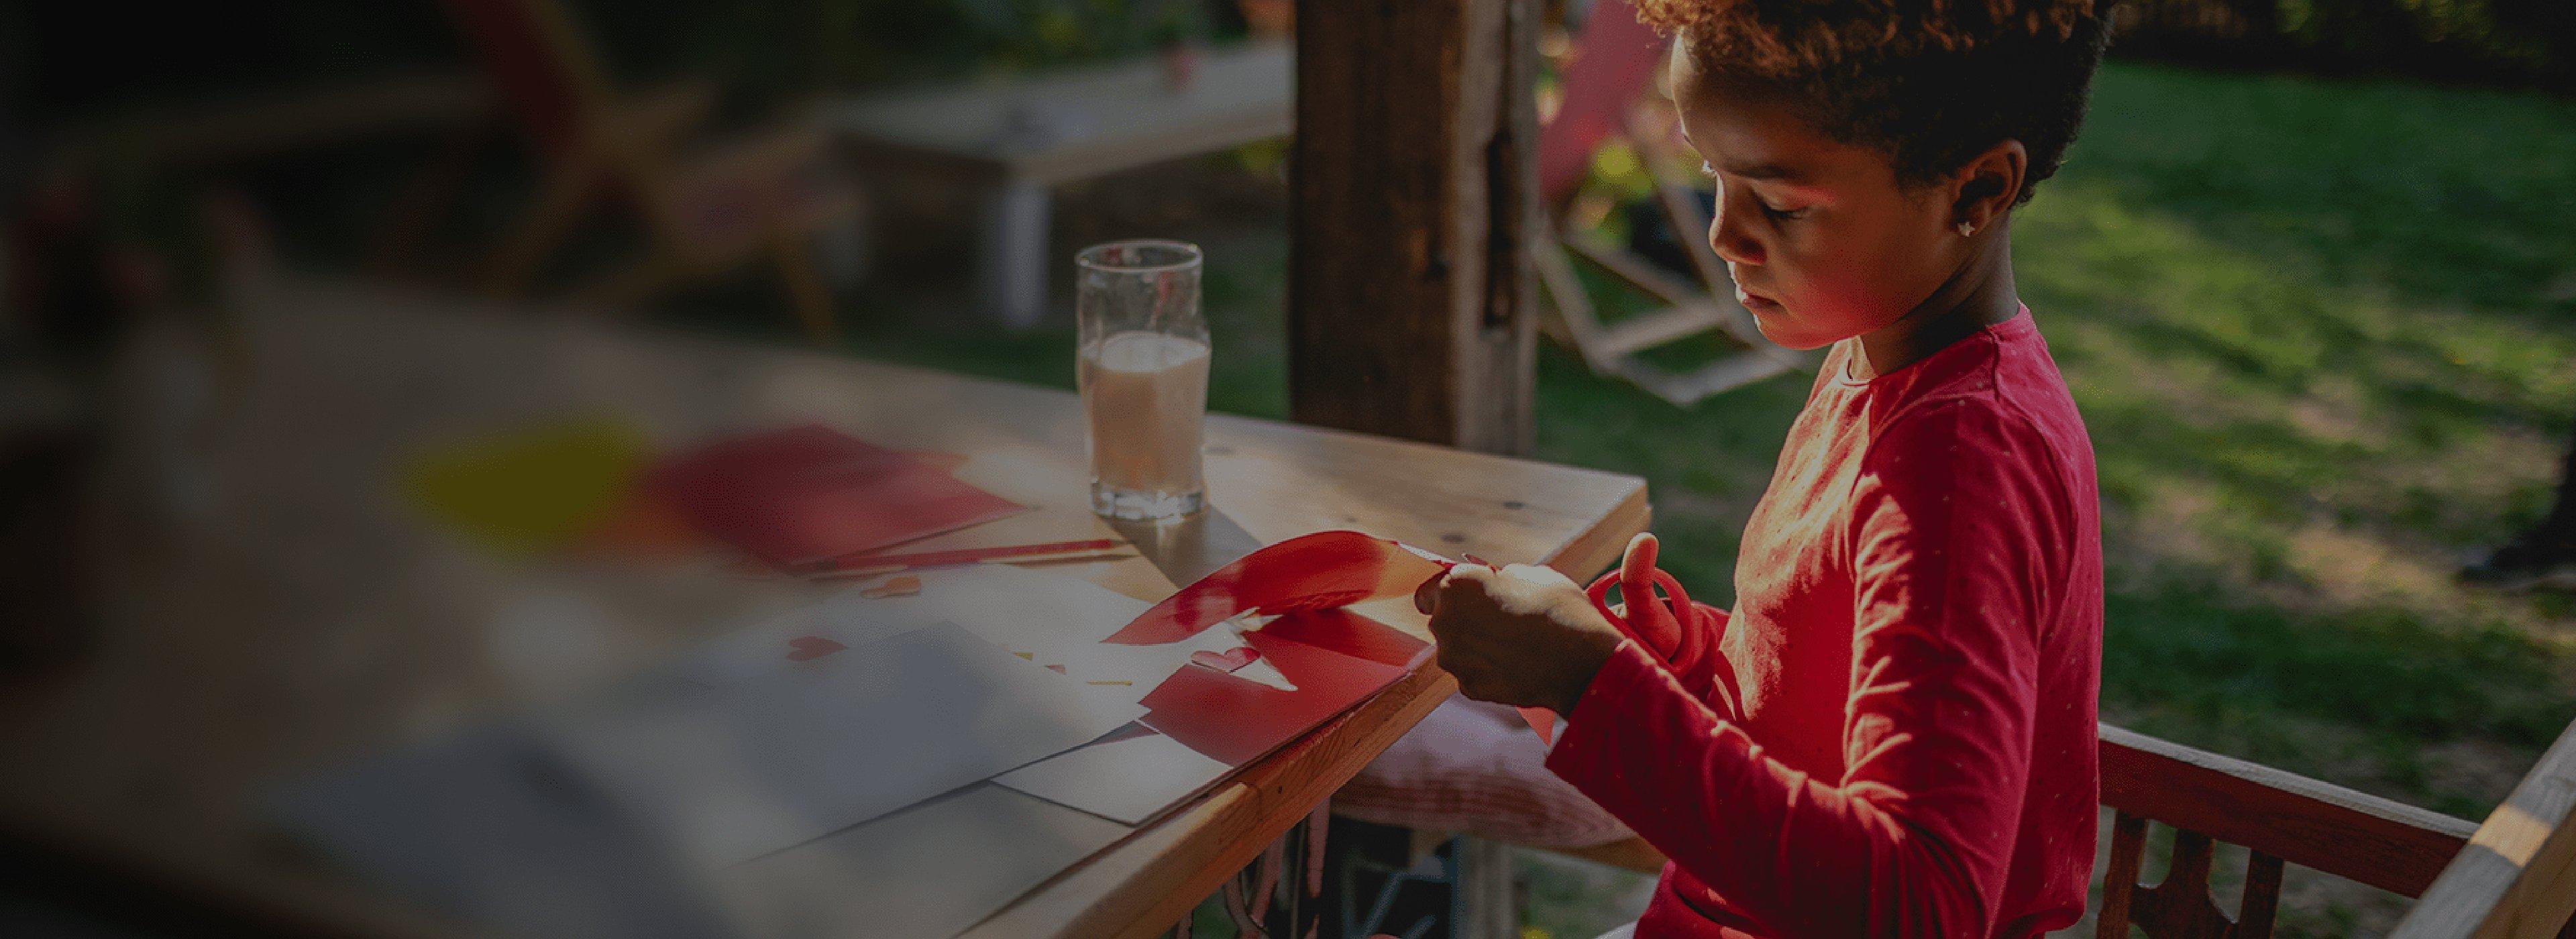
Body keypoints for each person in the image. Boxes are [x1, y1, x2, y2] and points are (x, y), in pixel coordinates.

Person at [1413, 2, 2112, 936]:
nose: (1723, 235)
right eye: (1713, 176)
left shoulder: (1962, 458)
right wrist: (1691, 659)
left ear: (1974, 190)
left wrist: (1592, 687)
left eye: (1781, 203)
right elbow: (1820, 720)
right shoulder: (1885, 355)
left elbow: (1921, 902)